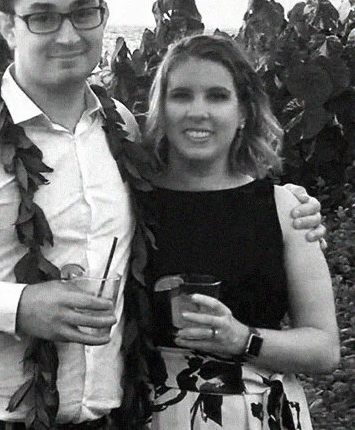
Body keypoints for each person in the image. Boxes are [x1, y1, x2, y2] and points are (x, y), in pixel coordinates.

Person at [0, 0, 324, 430]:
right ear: (7, 26)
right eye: (43, 17)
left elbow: (200, 185)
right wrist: (17, 306)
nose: (68, 35)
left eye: (84, 13)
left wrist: (286, 204)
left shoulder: (121, 127)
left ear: (104, 16)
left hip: (106, 418)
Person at [135, 34, 339, 429]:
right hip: (149, 416)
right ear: (160, 108)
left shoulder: (285, 209)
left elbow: (325, 347)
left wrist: (243, 339)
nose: (198, 112)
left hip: (256, 415)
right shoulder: (130, 202)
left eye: (217, 96)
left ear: (243, 111)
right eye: (181, 96)